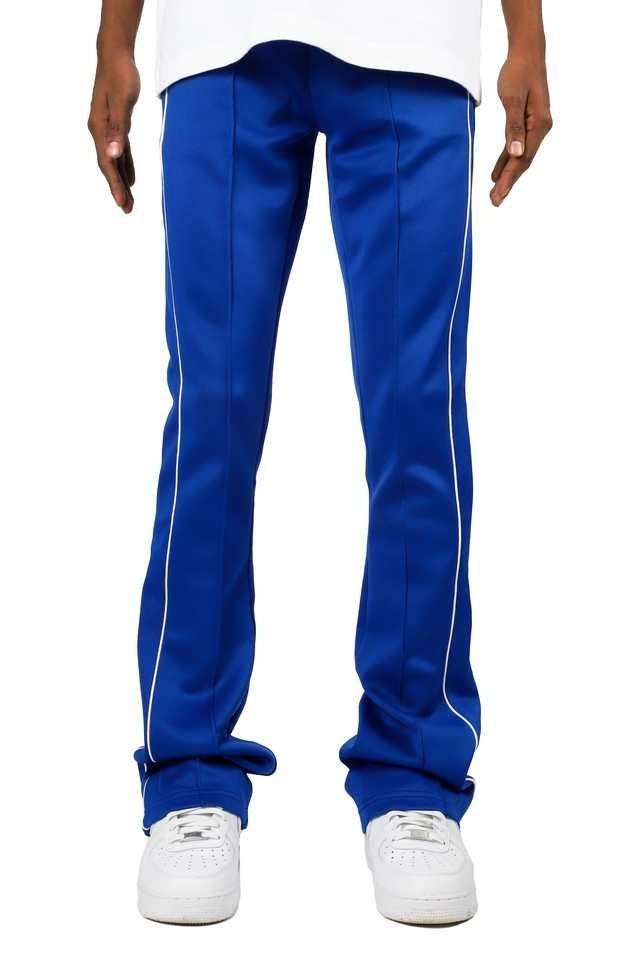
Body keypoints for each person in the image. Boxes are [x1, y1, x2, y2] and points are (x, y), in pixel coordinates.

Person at [89, 0, 551, 927]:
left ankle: (415, 775)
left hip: (414, 36)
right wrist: (113, 38)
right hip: (220, 38)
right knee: (213, 413)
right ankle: (188, 776)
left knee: (417, 414)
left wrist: (528, 33)